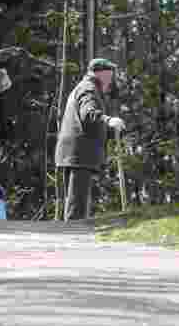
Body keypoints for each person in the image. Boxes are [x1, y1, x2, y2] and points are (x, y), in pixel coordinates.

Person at [54, 58, 126, 222]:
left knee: (74, 202)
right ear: (101, 73)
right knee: (76, 207)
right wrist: (108, 120)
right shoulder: (89, 88)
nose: (112, 80)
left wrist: (110, 130)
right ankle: (74, 239)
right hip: (79, 154)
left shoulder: (86, 87)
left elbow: (89, 123)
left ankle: (71, 236)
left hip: (74, 152)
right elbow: (88, 114)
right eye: (111, 75)